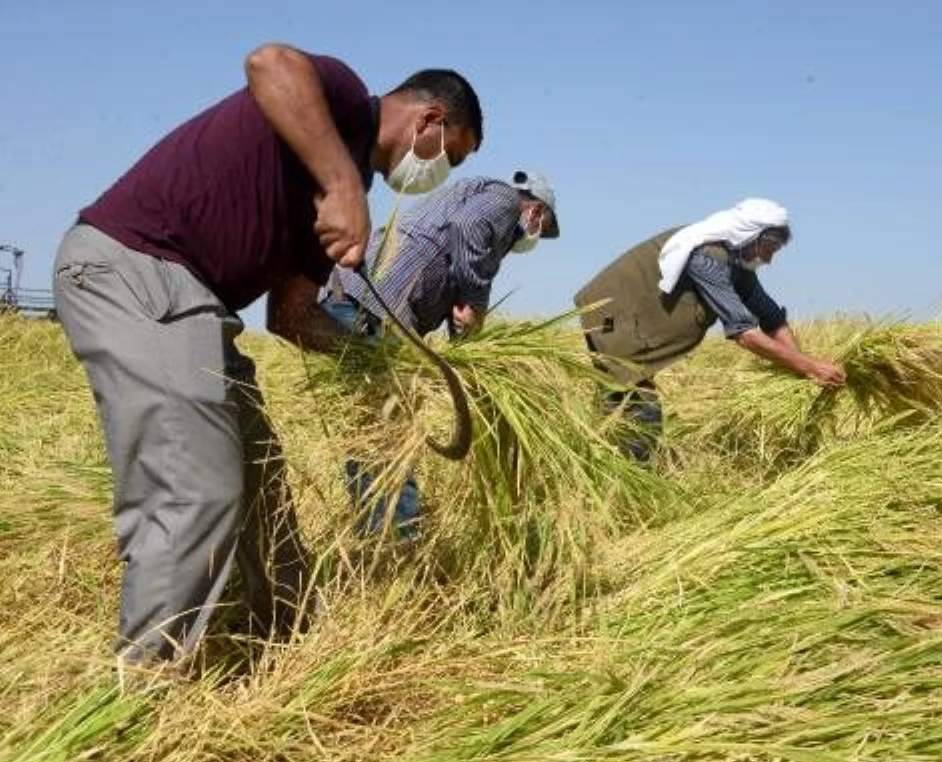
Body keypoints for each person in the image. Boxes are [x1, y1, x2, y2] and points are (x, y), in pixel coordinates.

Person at [51, 42, 484, 666]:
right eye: (451, 154)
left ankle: (283, 641)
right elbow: (270, 62)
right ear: (430, 122)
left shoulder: (344, 179)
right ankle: (142, 692)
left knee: (260, 477)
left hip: (197, 305)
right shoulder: (337, 98)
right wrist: (342, 188)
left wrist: (377, 356)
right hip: (137, 269)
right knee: (196, 488)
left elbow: (292, 317)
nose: (441, 170)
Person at [322, 169, 561, 536]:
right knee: (389, 431)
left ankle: (379, 538)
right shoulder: (503, 200)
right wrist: (476, 302)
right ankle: (400, 541)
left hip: (365, 305)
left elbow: (460, 298)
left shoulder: (484, 237)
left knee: (371, 430)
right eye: (542, 227)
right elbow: (468, 228)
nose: (535, 236)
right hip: (370, 306)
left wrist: (471, 358)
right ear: (536, 211)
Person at [573, 198, 845, 461]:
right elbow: (745, 334)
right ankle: (631, 483)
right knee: (641, 409)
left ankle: (597, 462)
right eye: (768, 249)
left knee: (617, 405)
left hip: (631, 322)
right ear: (752, 236)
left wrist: (802, 369)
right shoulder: (707, 257)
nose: (769, 260)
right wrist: (810, 367)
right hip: (613, 315)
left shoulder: (739, 267)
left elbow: (772, 319)